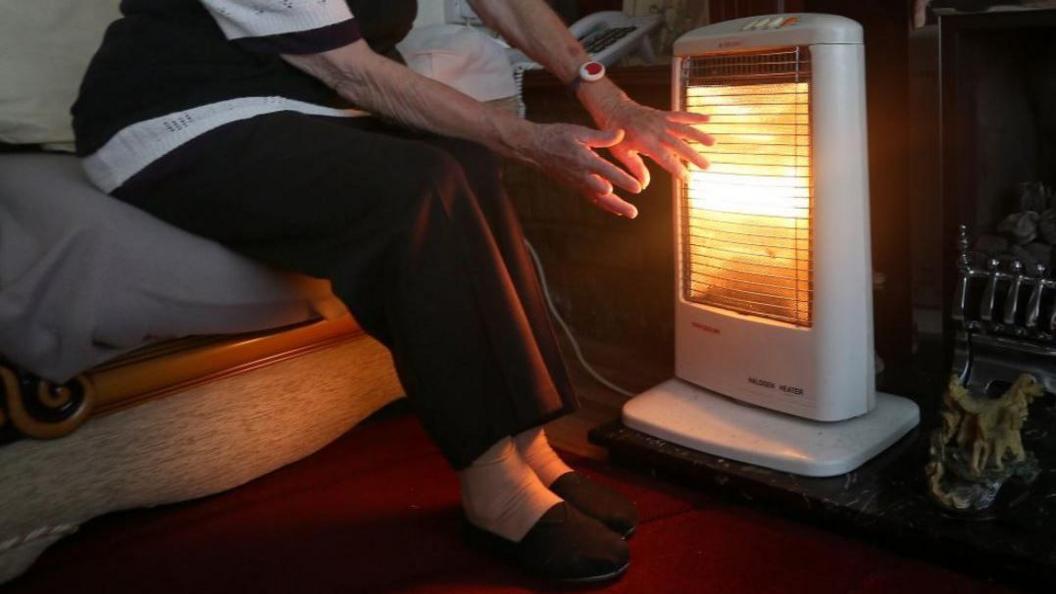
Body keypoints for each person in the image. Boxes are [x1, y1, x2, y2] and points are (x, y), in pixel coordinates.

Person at [72, 0, 713, 583]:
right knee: (420, 186)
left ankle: (530, 446)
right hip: (176, 113)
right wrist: (532, 141)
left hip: (305, 101)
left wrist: (606, 95)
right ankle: (493, 485)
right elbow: (354, 72)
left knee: (472, 165)